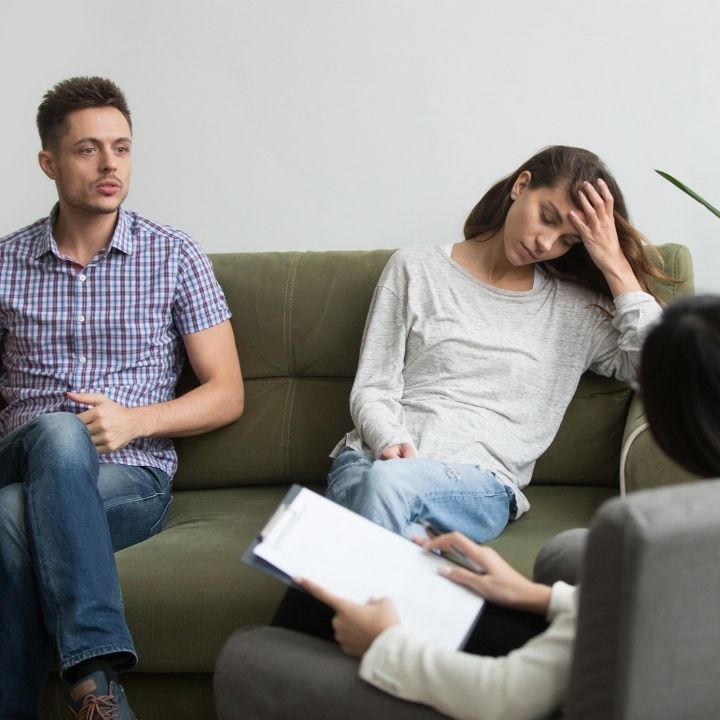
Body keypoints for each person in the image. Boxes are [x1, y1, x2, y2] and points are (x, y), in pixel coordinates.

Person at [215, 295, 720, 720]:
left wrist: (385, 643)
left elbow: (503, 696)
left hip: (529, 698)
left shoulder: (637, 536)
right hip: (590, 653)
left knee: (251, 653)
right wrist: (538, 598)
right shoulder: (688, 533)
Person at [0, 77, 244, 720]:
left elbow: (227, 393)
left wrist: (135, 421)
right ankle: (95, 681)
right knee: (56, 432)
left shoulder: (173, 255)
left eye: (122, 147)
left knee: (7, 522)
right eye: (87, 150)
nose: (110, 165)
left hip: (129, 478)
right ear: (49, 163)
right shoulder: (5, 263)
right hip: (22, 449)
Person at [327, 145, 672, 543]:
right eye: (547, 218)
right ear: (521, 185)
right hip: (371, 462)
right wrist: (389, 442)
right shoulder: (415, 268)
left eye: (569, 240)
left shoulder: (574, 310)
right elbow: (374, 385)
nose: (546, 244)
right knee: (395, 513)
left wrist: (613, 260)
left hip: (474, 483)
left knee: (378, 503)